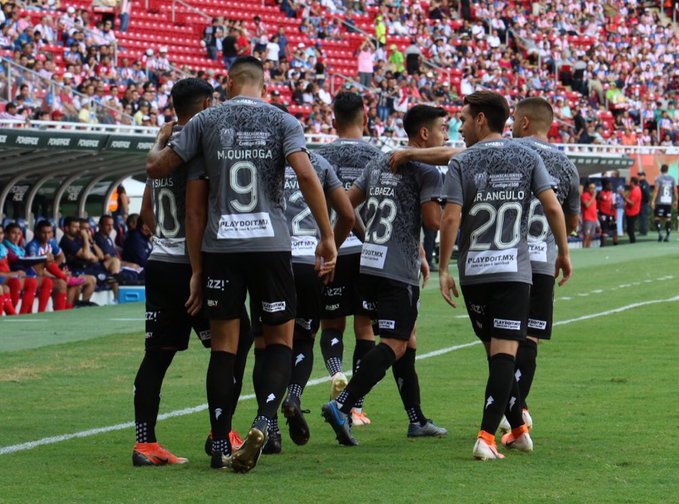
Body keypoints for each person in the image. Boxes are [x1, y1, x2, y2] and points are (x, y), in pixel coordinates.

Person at [146, 56, 337, 473]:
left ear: (230, 82)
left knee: (224, 349)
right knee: (280, 343)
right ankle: (264, 422)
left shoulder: (204, 123)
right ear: (262, 86)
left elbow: (180, 195)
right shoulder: (283, 120)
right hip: (270, 246)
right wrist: (326, 235)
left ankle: (218, 442)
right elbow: (306, 176)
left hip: (220, 250)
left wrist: (197, 270)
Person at [437, 91, 571, 460]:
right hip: (513, 270)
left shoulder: (463, 161)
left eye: (463, 119)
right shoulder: (527, 157)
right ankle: (486, 438)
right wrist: (564, 251)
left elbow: (450, 217)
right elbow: (553, 208)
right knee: (504, 355)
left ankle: (518, 429)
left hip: (474, 271)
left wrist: (443, 268)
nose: (459, 127)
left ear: (481, 120)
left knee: (497, 355)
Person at [133, 78, 253, 467]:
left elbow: (146, 217)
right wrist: (200, 269)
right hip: (194, 264)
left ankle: (145, 445)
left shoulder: (163, 147)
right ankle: (222, 433)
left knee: (157, 355)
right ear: (205, 103)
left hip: (159, 262)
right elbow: (199, 209)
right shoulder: (202, 142)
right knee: (235, 343)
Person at [321, 104, 448, 446]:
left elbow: (347, 203)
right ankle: (342, 404)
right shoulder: (426, 171)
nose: (445, 136)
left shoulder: (379, 160)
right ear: (425, 134)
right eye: (442, 129)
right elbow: (435, 221)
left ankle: (416, 419)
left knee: (408, 340)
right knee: (394, 343)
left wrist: (337, 242)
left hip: (370, 262)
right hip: (397, 269)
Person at [256, 127, 354, 454]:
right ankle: (295, 395)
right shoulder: (320, 164)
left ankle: (268, 425)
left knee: (266, 346)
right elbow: (349, 214)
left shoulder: (262, 161)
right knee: (304, 340)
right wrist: (331, 250)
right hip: (308, 262)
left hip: (271, 260)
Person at [508, 97, 580, 435]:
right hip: (541, 259)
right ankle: (519, 406)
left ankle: (512, 409)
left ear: (523, 123)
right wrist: (561, 248)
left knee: (502, 339)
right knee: (531, 338)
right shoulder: (565, 164)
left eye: (512, 121)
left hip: (506, 258)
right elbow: (571, 219)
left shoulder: (506, 152)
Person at [315, 92, 382, 426]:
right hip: (370, 252)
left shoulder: (319, 155)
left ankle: (335, 372)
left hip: (333, 248)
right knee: (365, 326)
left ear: (333, 122)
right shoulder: (378, 156)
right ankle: (354, 405)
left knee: (331, 324)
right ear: (364, 119)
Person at [25, 220, 93, 310]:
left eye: (49, 232)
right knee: (62, 283)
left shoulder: (51, 242)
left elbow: (61, 257)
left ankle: (67, 310)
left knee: (70, 283)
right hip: (33, 276)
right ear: (37, 232)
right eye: (43, 233)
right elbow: (38, 270)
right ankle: (60, 310)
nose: (46, 236)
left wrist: (55, 271)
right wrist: (57, 274)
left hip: (46, 274)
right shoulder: (32, 246)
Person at [3, 223, 52, 314]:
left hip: (23, 274)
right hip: (12, 275)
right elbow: (18, 260)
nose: (16, 236)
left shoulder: (20, 248)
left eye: (19, 233)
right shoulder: (5, 247)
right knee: (24, 282)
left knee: (46, 281)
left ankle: (34, 313)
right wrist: (43, 258)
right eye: (13, 233)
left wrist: (42, 259)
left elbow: (27, 260)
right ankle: (12, 313)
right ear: (6, 234)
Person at [651, 164, 677, 242]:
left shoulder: (659, 178)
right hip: (668, 201)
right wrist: (676, 200)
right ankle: (668, 235)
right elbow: (675, 190)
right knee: (668, 219)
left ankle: (660, 234)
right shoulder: (672, 179)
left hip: (660, 201)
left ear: (660, 169)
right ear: (667, 170)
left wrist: (653, 201)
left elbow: (656, 189)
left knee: (657, 218)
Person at [597, 180, 618, 246]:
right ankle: (603, 246)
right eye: (609, 185)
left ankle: (616, 244)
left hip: (611, 215)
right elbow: (596, 204)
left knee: (615, 230)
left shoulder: (612, 193)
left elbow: (614, 204)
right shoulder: (600, 194)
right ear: (605, 185)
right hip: (603, 215)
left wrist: (614, 208)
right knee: (605, 231)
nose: (610, 186)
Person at [623, 177, 642, 244]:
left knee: (630, 229)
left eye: (630, 182)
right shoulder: (633, 189)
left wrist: (624, 197)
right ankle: (632, 241)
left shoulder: (635, 191)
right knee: (629, 229)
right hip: (631, 211)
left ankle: (633, 241)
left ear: (633, 182)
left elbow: (632, 203)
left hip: (633, 212)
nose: (629, 183)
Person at [580, 182, 598, 248]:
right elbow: (587, 205)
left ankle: (588, 249)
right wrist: (593, 196)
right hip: (587, 219)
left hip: (593, 219)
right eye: (591, 188)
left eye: (594, 188)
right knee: (586, 236)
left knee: (591, 236)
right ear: (588, 188)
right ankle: (584, 249)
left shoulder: (593, 197)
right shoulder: (585, 195)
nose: (592, 190)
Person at [637, 172, 650, 236]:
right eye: (639, 175)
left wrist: (646, 201)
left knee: (643, 217)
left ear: (644, 176)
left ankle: (644, 231)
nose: (639, 176)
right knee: (641, 217)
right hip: (641, 203)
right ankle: (642, 230)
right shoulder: (640, 183)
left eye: (640, 175)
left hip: (643, 203)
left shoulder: (644, 183)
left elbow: (646, 194)